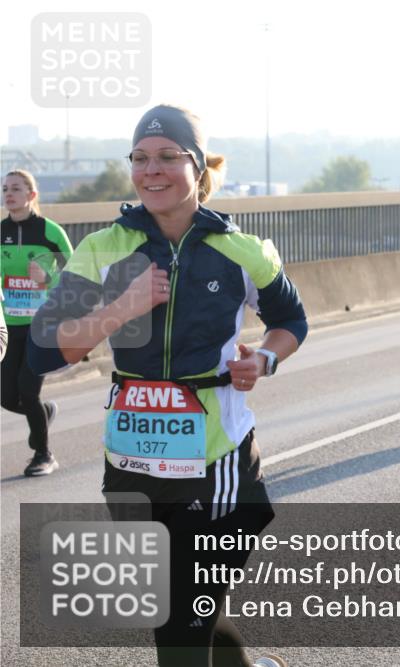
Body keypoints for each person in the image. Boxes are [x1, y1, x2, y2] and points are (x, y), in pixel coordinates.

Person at [28, 105, 306, 667]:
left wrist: (267, 360)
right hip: (131, 461)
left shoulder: (240, 249)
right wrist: (120, 310)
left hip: (218, 461)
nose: (151, 171)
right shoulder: (103, 249)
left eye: (167, 157)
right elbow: (43, 349)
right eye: (140, 158)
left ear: (197, 166)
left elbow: (290, 322)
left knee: (182, 623)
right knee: (177, 610)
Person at [2, 169, 73, 476]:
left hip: (41, 326)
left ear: (31, 195)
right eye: (5, 188)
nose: (8, 194)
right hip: (7, 326)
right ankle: (44, 414)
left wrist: (48, 277)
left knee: (28, 391)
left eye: (16, 188)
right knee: (6, 396)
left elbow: (76, 275)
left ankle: (43, 455)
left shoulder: (50, 231)